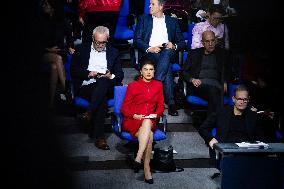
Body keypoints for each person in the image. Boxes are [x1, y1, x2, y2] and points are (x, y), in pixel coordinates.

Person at [71, 26, 124, 150]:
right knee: (102, 98)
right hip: (88, 85)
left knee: (104, 81)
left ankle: (89, 112)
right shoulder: (81, 49)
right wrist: (89, 73)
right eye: (98, 42)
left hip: (107, 84)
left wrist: (111, 75)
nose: (100, 45)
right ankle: (100, 137)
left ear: (108, 39)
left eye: (103, 42)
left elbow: (120, 74)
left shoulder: (113, 52)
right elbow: (74, 71)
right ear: (92, 38)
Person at [134, 0, 186, 116]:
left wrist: (174, 45)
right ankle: (171, 102)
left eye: (153, 4)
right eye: (149, 4)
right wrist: (149, 48)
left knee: (167, 52)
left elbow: (182, 42)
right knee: (166, 69)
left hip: (167, 51)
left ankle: (153, 89)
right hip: (150, 53)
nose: (149, 6)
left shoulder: (172, 21)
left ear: (161, 6)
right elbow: (136, 40)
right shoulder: (143, 19)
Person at [121, 58, 164, 184]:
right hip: (134, 120)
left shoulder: (158, 85)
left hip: (150, 120)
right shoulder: (133, 86)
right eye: (145, 69)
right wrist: (135, 115)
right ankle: (146, 169)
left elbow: (161, 106)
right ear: (141, 71)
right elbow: (124, 108)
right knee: (149, 135)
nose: (148, 72)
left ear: (154, 71)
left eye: (151, 69)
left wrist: (155, 115)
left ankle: (138, 158)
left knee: (147, 123)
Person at [198, 84, 265, 152]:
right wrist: (211, 139)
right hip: (226, 151)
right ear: (233, 99)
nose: (242, 102)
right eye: (239, 99)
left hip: (246, 152)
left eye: (245, 99)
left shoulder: (253, 115)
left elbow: (261, 137)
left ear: (248, 100)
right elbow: (203, 128)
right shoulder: (221, 113)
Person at [182, 30, 229, 118]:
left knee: (214, 93)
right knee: (215, 94)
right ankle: (216, 125)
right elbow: (184, 72)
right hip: (200, 86)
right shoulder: (194, 54)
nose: (210, 44)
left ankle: (207, 125)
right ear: (203, 43)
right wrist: (192, 80)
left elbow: (229, 70)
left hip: (218, 86)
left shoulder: (222, 54)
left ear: (215, 41)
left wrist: (225, 81)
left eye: (212, 40)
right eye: (207, 41)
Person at [39, 0, 75, 109]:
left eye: (46, 4)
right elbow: (34, 42)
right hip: (42, 52)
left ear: (53, 7)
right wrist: (48, 49)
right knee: (58, 59)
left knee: (54, 67)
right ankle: (66, 89)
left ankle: (51, 103)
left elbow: (69, 35)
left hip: (59, 51)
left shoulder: (61, 21)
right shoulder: (39, 21)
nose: (43, 6)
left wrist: (70, 46)